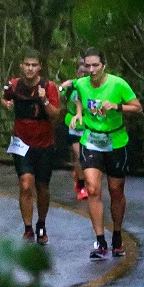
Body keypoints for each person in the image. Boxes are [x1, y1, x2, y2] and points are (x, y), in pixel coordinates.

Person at [70, 48, 143, 260]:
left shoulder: (117, 83)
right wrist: (78, 113)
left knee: (116, 190)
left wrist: (116, 106)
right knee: (93, 189)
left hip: (115, 141)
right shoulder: (81, 83)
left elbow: (137, 107)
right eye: (87, 66)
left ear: (104, 65)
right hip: (91, 140)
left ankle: (117, 236)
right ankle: (100, 241)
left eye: (95, 66)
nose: (91, 70)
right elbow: (76, 95)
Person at [1, 50, 61, 244]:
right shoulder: (14, 84)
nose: (30, 68)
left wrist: (43, 99)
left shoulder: (48, 86)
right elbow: (5, 95)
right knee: (25, 183)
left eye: (34, 65)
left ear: (39, 67)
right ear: (21, 66)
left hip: (44, 143)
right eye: (27, 64)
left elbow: (55, 114)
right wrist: (7, 102)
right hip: (21, 141)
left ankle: (41, 224)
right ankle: (27, 228)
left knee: (42, 186)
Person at [59, 58, 91, 202]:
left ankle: (80, 177)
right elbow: (60, 96)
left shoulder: (94, 85)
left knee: (89, 157)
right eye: (81, 68)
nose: (83, 71)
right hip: (74, 126)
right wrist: (62, 88)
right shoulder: (71, 86)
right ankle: (82, 185)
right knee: (80, 156)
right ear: (77, 70)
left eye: (86, 67)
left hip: (91, 126)